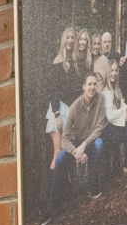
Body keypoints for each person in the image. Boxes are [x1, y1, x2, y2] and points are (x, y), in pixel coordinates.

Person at [59, 71, 107, 198]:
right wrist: (76, 152)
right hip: (77, 143)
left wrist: (84, 145)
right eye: (89, 84)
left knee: (99, 143)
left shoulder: (101, 99)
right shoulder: (74, 107)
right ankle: (52, 203)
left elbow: (99, 128)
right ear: (84, 86)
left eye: (94, 84)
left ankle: (92, 186)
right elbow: (64, 139)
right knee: (59, 157)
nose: (92, 87)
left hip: (90, 141)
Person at [45, 25, 80, 174]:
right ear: (63, 40)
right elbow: (53, 89)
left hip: (71, 110)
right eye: (68, 37)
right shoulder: (58, 60)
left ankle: (68, 190)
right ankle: (53, 193)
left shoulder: (75, 60)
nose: (70, 40)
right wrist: (57, 114)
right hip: (58, 109)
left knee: (69, 153)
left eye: (73, 37)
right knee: (57, 153)